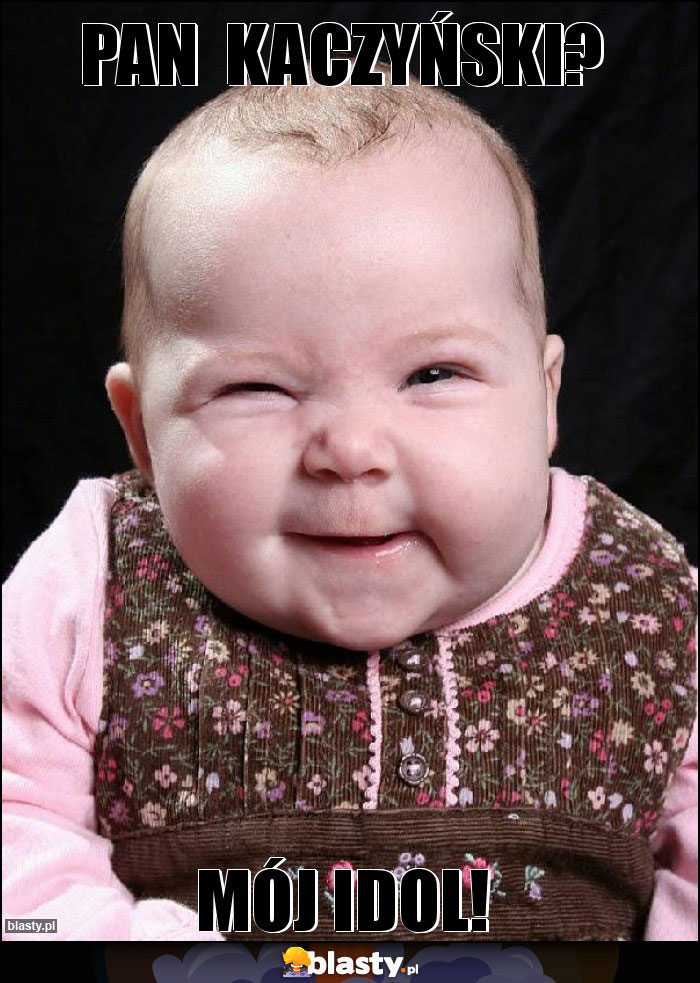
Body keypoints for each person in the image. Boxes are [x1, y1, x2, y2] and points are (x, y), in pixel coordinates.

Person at [3, 74, 697, 942]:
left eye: (433, 374)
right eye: (257, 388)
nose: (351, 448)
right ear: (141, 430)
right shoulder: (93, 575)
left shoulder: (646, 592)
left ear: (545, 397)